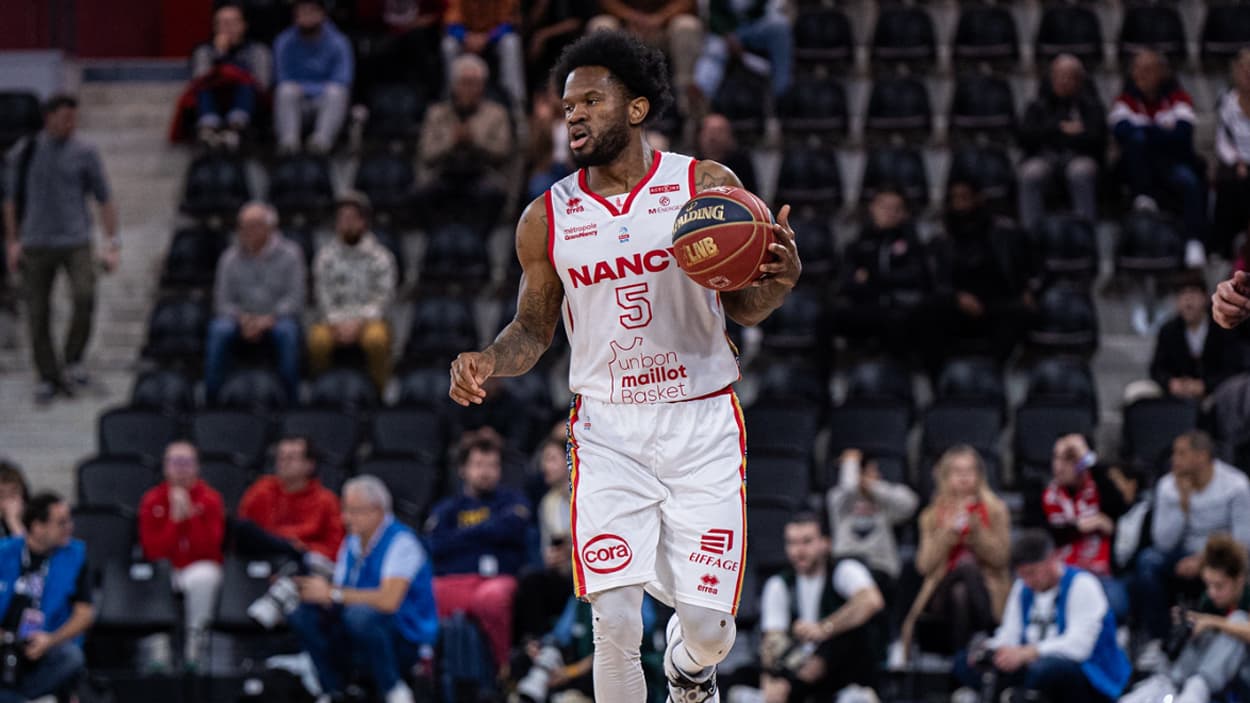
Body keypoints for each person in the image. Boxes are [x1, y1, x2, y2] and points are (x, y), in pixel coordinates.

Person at [448, 30, 801, 703]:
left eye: (589, 101)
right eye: (566, 104)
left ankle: (691, 671)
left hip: (700, 421)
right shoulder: (546, 216)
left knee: (709, 628)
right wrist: (487, 360)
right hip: (608, 428)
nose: (572, 114)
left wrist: (779, 282)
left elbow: (746, 306)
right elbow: (532, 328)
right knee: (612, 618)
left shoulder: (703, 186)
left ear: (636, 108)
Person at [3, 94, 118, 403]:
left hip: (75, 240)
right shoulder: (24, 151)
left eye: (74, 119)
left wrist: (112, 243)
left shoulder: (86, 151)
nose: (71, 124)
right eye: (65, 118)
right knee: (37, 312)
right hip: (35, 243)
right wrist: (13, 242)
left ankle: (73, 358)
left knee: (85, 295)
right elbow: (11, 200)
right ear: (49, 117)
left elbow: (104, 197)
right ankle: (47, 374)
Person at [288, 476, 438, 703]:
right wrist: (316, 592)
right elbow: (341, 592)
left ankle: (393, 689)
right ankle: (333, 691)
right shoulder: (352, 543)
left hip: (405, 636)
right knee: (303, 614)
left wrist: (332, 593)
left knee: (360, 615)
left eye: (353, 511)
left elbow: (389, 600)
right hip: (359, 632)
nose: (345, 518)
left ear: (377, 511)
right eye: (345, 510)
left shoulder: (402, 542)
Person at [952, 530, 1130, 703]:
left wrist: (1029, 652)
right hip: (1033, 664)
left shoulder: (1082, 585)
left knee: (1047, 670)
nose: (1028, 581)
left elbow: (1079, 646)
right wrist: (992, 649)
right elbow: (1010, 634)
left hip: (1088, 672)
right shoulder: (1022, 588)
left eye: (1032, 573)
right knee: (967, 661)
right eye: (1022, 575)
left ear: (1052, 560)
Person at [1133, 431, 1250, 666]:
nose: (1174, 459)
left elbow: (1243, 540)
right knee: (1148, 561)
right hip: (1180, 555)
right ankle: (1160, 640)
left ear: (1202, 456)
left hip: (1222, 554)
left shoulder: (1236, 485)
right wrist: (1182, 504)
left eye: (1181, 453)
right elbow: (1163, 542)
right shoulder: (1168, 486)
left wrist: (1204, 561)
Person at [425, 429, 530, 669]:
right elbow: (436, 545)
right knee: (423, 595)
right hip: (453, 582)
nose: (485, 472)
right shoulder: (447, 508)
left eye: (492, 465)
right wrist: (488, 532)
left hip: (497, 580)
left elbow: (513, 528)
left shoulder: (513, 501)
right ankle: (432, 674)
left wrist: (461, 537)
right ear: (462, 469)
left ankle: (502, 671)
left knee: (491, 599)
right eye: (478, 464)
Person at [759, 512, 885, 703]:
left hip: (845, 676)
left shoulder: (844, 570)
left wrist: (824, 628)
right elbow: (772, 639)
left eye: (806, 542)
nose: (798, 551)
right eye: (792, 543)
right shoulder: (780, 585)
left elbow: (871, 600)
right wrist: (770, 681)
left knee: (847, 637)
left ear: (825, 543)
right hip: (799, 674)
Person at [900, 446, 1010, 659]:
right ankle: (989, 634)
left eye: (970, 471)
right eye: (957, 472)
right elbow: (924, 565)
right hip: (940, 592)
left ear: (979, 475)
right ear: (945, 476)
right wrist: (947, 533)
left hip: (987, 590)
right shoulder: (931, 515)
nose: (964, 478)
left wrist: (976, 533)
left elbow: (1001, 559)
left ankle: (959, 667)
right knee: (962, 576)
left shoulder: (996, 509)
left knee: (962, 591)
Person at [1123, 534, 1250, 703]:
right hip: (1210, 679)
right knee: (1199, 628)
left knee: (1236, 620)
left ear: (1239, 581)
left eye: (1219, 586)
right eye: (1208, 585)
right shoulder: (1209, 601)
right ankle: (1167, 685)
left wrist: (1212, 622)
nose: (1212, 593)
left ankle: (1197, 689)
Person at [1111, 49, 1206, 267]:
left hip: (1172, 162)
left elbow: (1183, 134)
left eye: (1149, 69)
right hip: (1136, 168)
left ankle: (1195, 241)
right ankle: (1142, 196)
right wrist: (1161, 132)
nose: (1142, 74)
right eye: (1138, 69)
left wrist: (1145, 131)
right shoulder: (1124, 100)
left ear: (1162, 72)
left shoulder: (1178, 98)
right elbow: (1121, 132)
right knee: (1135, 145)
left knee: (1189, 181)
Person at [205, 202, 306, 403]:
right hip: (240, 319)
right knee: (219, 331)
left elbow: (295, 299)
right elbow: (222, 302)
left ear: (270, 227)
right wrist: (243, 319)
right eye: (242, 226)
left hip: (277, 318)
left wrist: (268, 319)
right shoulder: (229, 258)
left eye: (253, 225)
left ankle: (291, 401)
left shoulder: (291, 255)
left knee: (288, 333)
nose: (246, 231)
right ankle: (212, 400)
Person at [138, 441, 225, 668]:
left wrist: (191, 517)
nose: (181, 468)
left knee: (205, 577)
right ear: (165, 466)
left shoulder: (210, 499)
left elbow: (209, 549)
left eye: (186, 462)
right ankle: (159, 658)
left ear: (197, 466)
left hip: (198, 566)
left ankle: (195, 654)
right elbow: (153, 551)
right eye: (175, 462)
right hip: (167, 567)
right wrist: (175, 521)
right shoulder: (152, 499)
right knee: (155, 575)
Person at [0, 493, 94, 703]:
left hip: (44, 645)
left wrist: (51, 640)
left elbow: (85, 614)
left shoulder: (75, 555)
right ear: (37, 527)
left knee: (71, 657)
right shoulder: (5, 552)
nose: (69, 527)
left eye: (70, 520)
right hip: (4, 643)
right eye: (61, 522)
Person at [832, 187, 943, 364]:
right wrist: (883, 281)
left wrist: (872, 277)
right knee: (827, 317)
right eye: (884, 207)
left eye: (896, 208)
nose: (890, 213)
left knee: (919, 317)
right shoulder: (859, 242)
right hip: (867, 306)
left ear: (905, 213)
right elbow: (846, 283)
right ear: (872, 208)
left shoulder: (913, 243)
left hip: (902, 308)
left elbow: (917, 278)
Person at [307, 192, 397, 392]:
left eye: (351, 218)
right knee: (317, 341)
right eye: (342, 219)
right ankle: (320, 391)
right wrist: (337, 322)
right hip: (333, 321)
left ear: (363, 222)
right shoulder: (325, 257)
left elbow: (383, 298)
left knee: (377, 340)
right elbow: (323, 297)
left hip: (368, 321)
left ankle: (380, 392)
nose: (346, 223)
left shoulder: (381, 257)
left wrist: (358, 323)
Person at [935, 178, 1033, 361]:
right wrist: (957, 296)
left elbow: (1023, 268)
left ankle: (994, 367)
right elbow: (937, 278)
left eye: (964, 198)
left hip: (996, 301)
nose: (958, 204)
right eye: (954, 199)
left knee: (1022, 311)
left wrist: (1025, 289)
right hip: (957, 301)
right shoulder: (941, 240)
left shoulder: (1006, 233)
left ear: (978, 199)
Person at [416, 53, 513, 231]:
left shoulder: (497, 114)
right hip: (444, 172)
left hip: (483, 173)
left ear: (483, 86)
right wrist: (451, 142)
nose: (469, 89)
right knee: (422, 194)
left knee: (492, 194)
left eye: (474, 83)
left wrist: (474, 142)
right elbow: (426, 153)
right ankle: (436, 246)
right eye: (464, 82)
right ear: (454, 85)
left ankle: (480, 248)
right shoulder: (436, 114)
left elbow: (503, 151)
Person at [1041, 434, 1130, 622]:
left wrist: (1086, 457)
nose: (1059, 465)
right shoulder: (1043, 493)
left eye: (1069, 458)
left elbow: (1121, 506)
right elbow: (1048, 534)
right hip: (1058, 573)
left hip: (1100, 571)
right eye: (1056, 457)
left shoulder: (1100, 489)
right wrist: (1084, 526)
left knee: (1117, 605)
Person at [1017, 54, 1105, 229]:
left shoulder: (1091, 106)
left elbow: (1097, 138)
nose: (1063, 81)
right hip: (1044, 158)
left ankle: (1085, 231)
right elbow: (1025, 137)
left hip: (1079, 157)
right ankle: (1031, 234)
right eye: (1059, 76)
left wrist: (1055, 133)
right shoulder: (1037, 106)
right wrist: (1063, 130)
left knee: (1080, 171)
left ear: (1079, 80)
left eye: (1069, 76)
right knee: (1030, 173)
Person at [826, 449, 918, 603]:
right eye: (872, 471)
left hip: (880, 567)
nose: (878, 476)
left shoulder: (883, 502)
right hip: (848, 564)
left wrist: (873, 486)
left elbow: (910, 504)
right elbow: (849, 489)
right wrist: (851, 465)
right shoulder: (838, 499)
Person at [237, 434, 344, 564]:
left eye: (291, 458)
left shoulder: (326, 501)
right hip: (263, 559)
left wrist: (303, 548)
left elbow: (335, 548)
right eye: (281, 457)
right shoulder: (261, 490)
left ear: (310, 464)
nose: (284, 463)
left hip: (306, 562)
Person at [587, 2, 702, 118]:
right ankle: (602, 94)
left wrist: (660, 18)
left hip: (663, 29)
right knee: (601, 25)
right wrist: (629, 16)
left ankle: (686, 94)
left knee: (687, 25)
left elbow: (687, 2)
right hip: (626, 28)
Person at [183, 2, 273, 147]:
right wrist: (220, 54)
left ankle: (236, 128)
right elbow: (198, 80)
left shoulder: (258, 51)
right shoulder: (203, 51)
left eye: (232, 23)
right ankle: (208, 129)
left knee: (244, 83)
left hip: (250, 106)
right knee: (206, 85)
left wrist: (235, 75)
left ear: (244, 25)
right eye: (222, 24)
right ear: (215, 28)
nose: (228, 28)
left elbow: (262, 84)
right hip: (213, 102)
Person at [1140, 276, 1240, 402]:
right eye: (1182, 293)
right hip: (1176, 393)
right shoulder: (1168, 330)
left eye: (1193, 292)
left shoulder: (1223, 327)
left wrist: (1205, 385)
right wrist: (1171, 383)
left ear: (1205, 297)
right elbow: (1156, 368)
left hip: (1216, 393)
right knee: (1137, 391)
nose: (1188, 299)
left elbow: (1234, 368)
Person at [514, 437, 574, 644]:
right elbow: (547, 549)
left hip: (593, 568)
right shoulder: (548, 502)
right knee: (530, 581)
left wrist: (572, 551)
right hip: (564, 575)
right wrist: (552, 558)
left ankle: (557, 644)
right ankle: (535, 645)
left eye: (551, 459)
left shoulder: (589, 493)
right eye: (543, 461)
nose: (544, 466)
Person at [273, 0, 354, 154]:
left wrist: (311, 88)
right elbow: (282, 77)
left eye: (312, 11)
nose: (307, 17)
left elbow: (343, 79)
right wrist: (309, 88)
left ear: (322, 15)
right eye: (302, 12)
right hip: (298, 101)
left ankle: (321, 143)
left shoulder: (339, 42)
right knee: (285, 90)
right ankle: (289, 144)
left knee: (337, 92)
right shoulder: (284, 41)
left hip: (325, 102)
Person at [693, 0, 793, 102]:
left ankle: (781, 94)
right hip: (725, 31)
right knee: (715, 50)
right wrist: (726, 34)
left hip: (755, 26)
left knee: (780, 26)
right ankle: (701, 94)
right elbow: (713, 14)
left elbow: (768, 8)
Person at [441, 0, 526, 119]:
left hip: (494, 40)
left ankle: (515, 103)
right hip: (467, 40)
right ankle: (451, 97)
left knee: (511, 42)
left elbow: (510, 23)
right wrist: (466, 37)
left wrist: (487, 38)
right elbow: (450, 24)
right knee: (448, 45)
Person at [1211, 49, 1250, 259]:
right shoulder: (1227, 102)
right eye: (1244, 70)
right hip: (1237, 163)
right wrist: (1238, 161)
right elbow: (1223, 141)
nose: (1248, 75)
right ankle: (1225, 244)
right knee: (1228, 182)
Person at [696, 113, 758, 195]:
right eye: (709, 132)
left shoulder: (741, 164)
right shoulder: (692, 164)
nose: (713, 137)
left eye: (719, 131)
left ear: (730, 136)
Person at [0, 461, 28, 539]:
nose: (8, 501)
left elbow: (28, 549)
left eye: (13, 494)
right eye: (1, 495)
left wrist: (14, 522)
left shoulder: (35, 522)